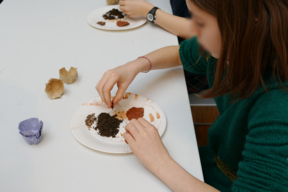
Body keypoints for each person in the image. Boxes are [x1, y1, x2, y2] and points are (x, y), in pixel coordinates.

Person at [96, 0, 288, 191]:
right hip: (214, 160)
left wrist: (159, 161)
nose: (191, 29)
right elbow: (181, 53)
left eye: (201, 22)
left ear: (248, 25)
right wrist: (136, 65)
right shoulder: (230, 46)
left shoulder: (277, 106)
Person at [119, 0, 209, 94]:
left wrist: (149, 11)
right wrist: (135, 66)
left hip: (195, 74)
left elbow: (199, 32)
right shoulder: (197, 49)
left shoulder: (211, 47)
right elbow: (181, 54)